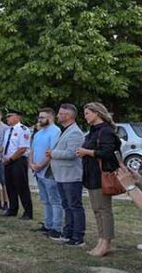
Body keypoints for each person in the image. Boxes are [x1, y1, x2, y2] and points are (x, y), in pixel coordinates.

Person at [76, 102, 121, 257]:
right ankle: (101, 241)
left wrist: (87, 152)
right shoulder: (93, 131)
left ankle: (106, 243)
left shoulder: (105, 131)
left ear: (97, 113)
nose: (85, 116)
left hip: (101, 175)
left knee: (104, 210)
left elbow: (107, 152)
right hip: (91, 175)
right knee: (97, 210)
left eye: (87, 113)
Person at [46, 103, 86, 247]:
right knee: (67, 206)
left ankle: (78, 236)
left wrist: (53, 153)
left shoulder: (75, 132)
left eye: (60, 113)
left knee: (74, 206)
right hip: (62, 175)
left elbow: (71, 153)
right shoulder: (65, 130)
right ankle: (68, 233)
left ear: (68, 116)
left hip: (71, 175)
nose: (58, 116)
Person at [29, 108, 63, 238]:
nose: (39, 119)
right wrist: (31, 164)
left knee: (55, 200)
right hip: (38, 172)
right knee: (45, 200)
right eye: (39, 117)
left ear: (51, 118)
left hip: (49, 171)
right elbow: (32, 150)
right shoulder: (38, 133)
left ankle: (56, 227)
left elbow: (51, 152)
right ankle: (48, 224)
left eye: (42, 117)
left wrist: (40, 165)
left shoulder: (56, 131)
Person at [1, 109, 32, 219]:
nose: (7, 118)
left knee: (22, 187)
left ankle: (28, 212)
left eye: (10, 116)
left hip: (18, 161)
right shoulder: (8, 130)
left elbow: (22, 148)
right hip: (7, 161)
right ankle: (13, 209)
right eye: (7, 116)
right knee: (10, 186)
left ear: (18, 117)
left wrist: (11, 159)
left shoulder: (23, 130)